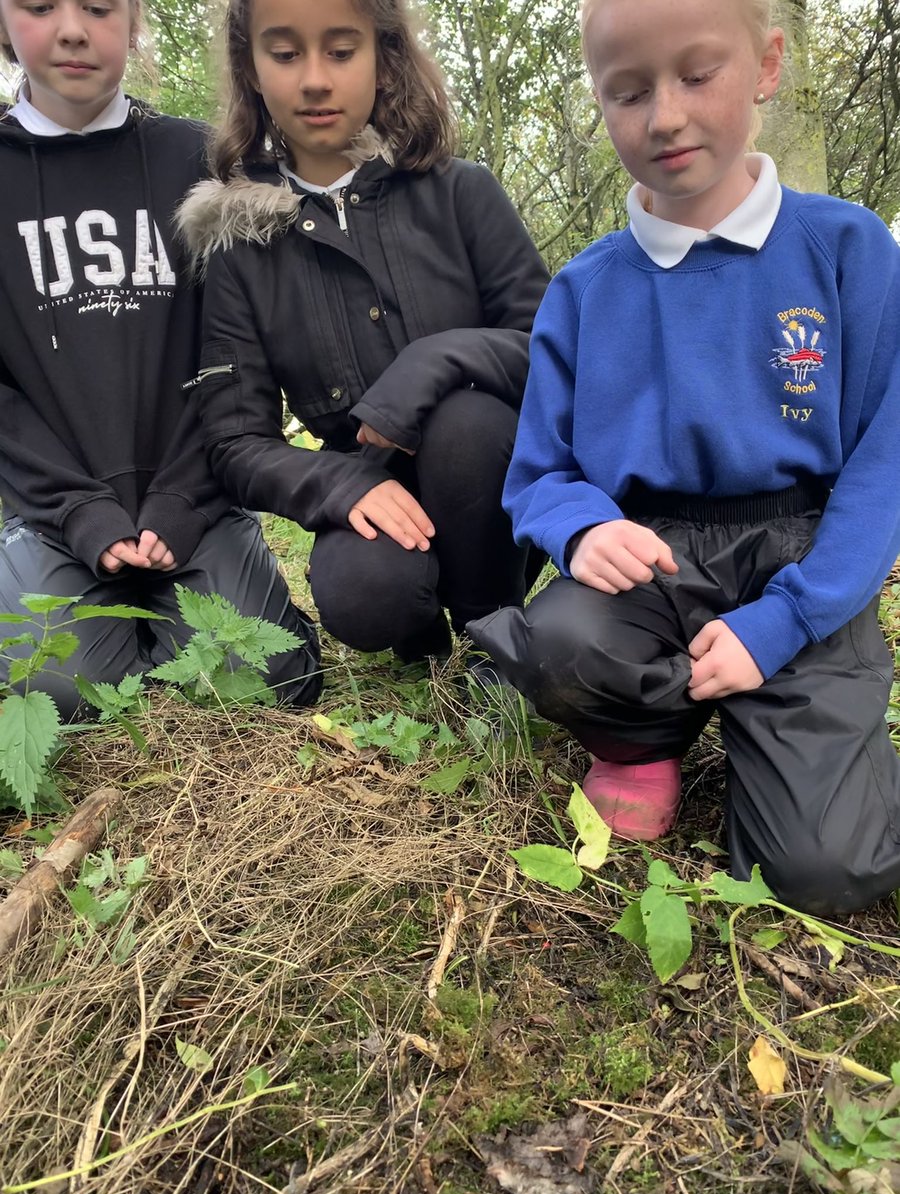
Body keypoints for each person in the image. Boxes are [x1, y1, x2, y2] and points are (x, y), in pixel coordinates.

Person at [468, 0, 900, 916]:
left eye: (696, 76)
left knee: (826, 871)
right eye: (627, 92)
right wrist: (582, 527)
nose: (663, 117)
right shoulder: (585, 289)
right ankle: (646, 735)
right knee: (561, 642)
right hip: (658, 559)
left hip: (803, 557)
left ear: (769, 64)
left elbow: (882, 463)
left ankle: (790, 740)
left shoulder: (849, 249)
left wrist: (785, 622)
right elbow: (538, 474)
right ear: (598, 98)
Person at [176, 0, 549, 668]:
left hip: (494, 476)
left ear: (383, 58)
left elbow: (555, 353)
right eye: (286, 54)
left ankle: (493, 633)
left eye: (342, 51)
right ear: (252, 68)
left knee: (464, 425)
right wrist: (340, 486)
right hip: (372, 485)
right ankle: (424, 642)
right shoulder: (241, 246)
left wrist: (436, 359)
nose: (315, 80)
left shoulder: (462, 192)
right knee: (361, 593)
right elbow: (236, 443)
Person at [0, 0, 321, 718]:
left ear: (135, 17)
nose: (74, 29)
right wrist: (79, 510)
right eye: (41, 6)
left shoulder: (205, 162)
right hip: (55, 514)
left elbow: (242, 356)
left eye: (99, 7)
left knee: (262, 681)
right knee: (54, 692)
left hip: (198, 501)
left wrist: (183, 498)